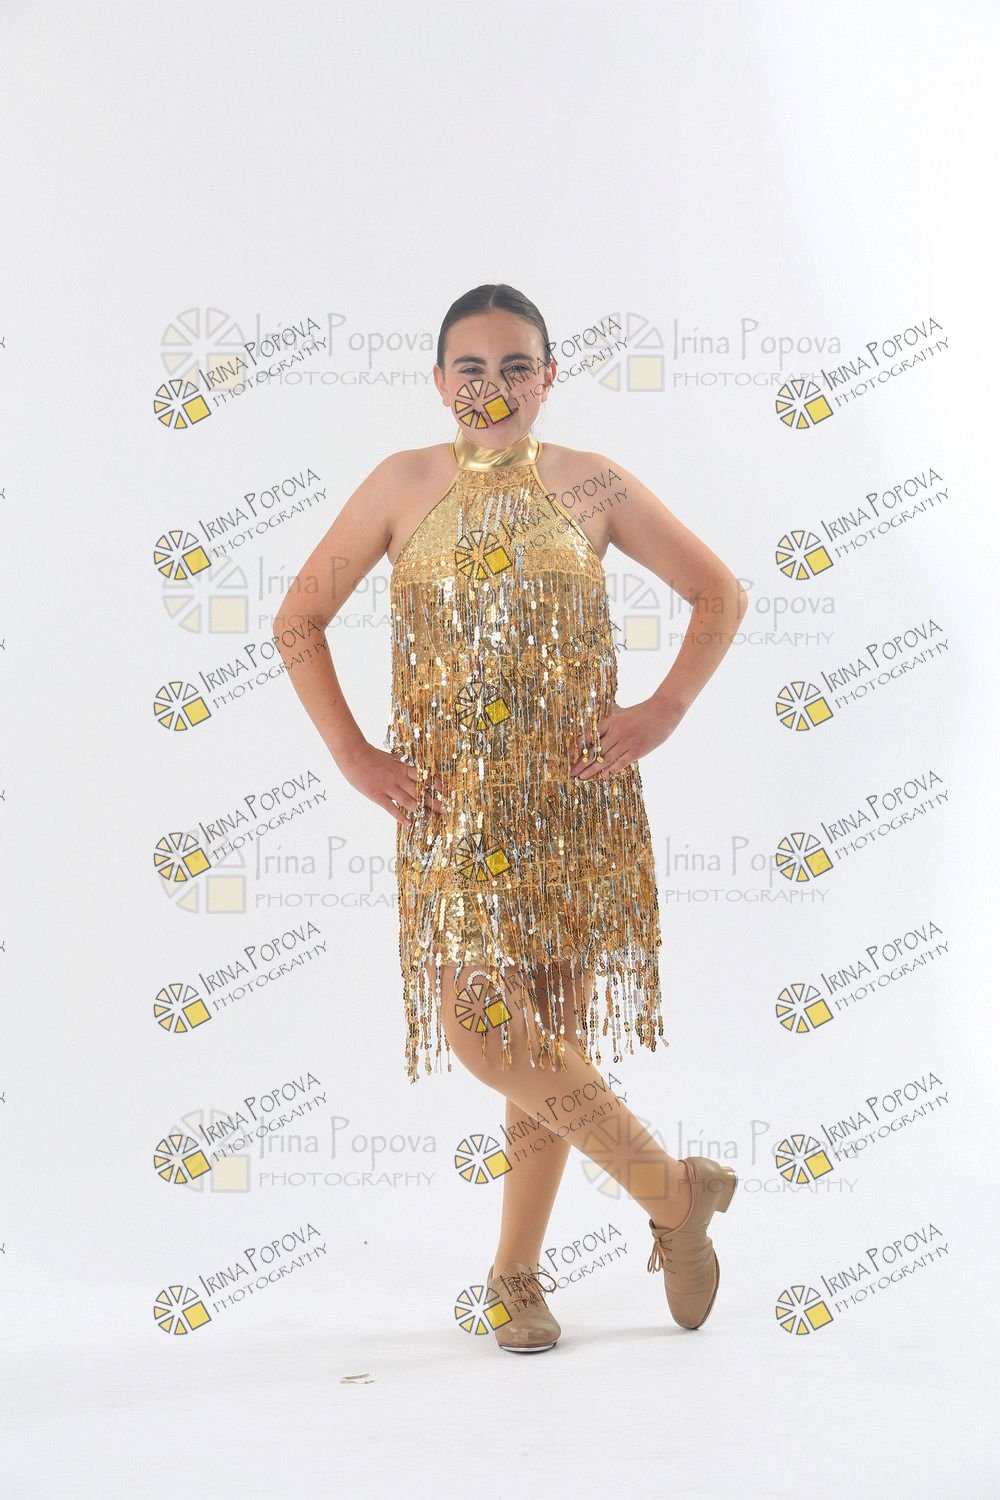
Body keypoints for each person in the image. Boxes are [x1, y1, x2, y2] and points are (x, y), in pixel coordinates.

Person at [274, 283, 748, 1353]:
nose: (494, 386)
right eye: (472, 368)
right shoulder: (400, 484)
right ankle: (674, 1196)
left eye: (516, 365)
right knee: (485, 1028)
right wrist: (353, 753)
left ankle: (516, 1276)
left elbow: (718, 593)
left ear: (548, 377)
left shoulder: (595, 483)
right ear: (440, 381)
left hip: (574, 801)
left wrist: (662, 711)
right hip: (449, 807)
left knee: (544, 1045)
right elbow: (300, 618)